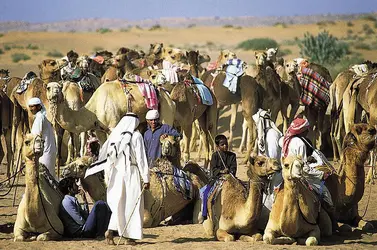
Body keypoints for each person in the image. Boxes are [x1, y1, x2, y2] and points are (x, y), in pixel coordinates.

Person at [99, 113, 150, 246]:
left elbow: (109, 160)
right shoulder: (136, 136)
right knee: (132, 203)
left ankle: (110, 231)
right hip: (131, 173)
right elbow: (141, 159)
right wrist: (146, 177)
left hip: (116, 174)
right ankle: (130, 237)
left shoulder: (116, 136)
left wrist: (109, 177)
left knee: (118, 205)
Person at [282, 117, 338, 231]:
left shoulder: (285, 139)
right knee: (326, 195)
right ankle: (334, 225)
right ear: (301, 131)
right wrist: (321, 174)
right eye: (306, 130)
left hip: (286, 174)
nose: (308, 131)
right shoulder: (300, 143)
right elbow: (305, 169)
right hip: (301, 176)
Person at [28, 97, 57, 180]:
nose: (31, 109)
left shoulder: (40, 118)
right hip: (48, 150)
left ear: (39, 107)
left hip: (45, 152)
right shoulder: (41, 117)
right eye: (30, 107)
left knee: (45, 178)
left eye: (33, 106)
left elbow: (35, 136)